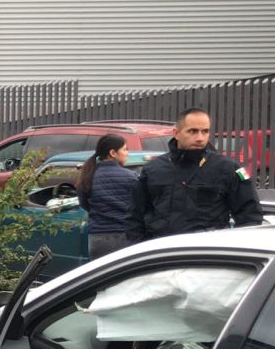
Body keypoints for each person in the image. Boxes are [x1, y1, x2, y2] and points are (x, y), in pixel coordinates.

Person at [127, 106, 262, 242]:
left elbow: (250, 217)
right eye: (192, 131)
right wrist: (142, 248)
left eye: (205, 131)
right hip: (162, 253)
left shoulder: (227, 168)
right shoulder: (153, 169)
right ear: (176, 133)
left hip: (207, 255)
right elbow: (135, 216)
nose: (200, 138)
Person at [76, 133, 140, 260]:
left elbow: (84, 204)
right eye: (125, 149)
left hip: (98, 237)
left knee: (103, 277)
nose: (127, 153)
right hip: (124, 236)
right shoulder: (131, 177)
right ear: (113, 153)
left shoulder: (88, 176)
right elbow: (138, 206)